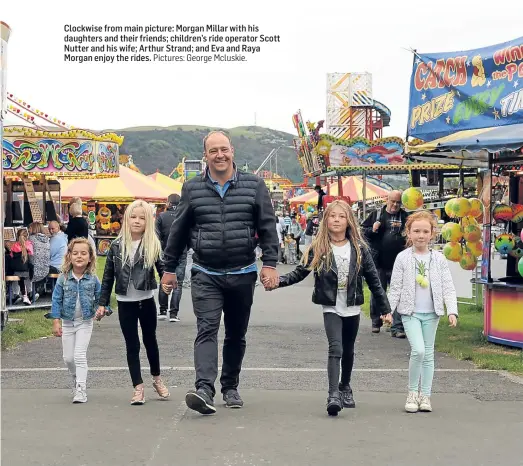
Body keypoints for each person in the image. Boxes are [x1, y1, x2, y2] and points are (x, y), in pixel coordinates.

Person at [161, 130, 279, 415]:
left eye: (224, 149)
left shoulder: (254, 186)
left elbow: (267, 226)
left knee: (236, 334)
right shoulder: (192, 188)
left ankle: (230, 386)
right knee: (207, 329)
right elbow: (177, 232)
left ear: (232, 151)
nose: (220, 155)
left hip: (243, 272)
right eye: (213, 151)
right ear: (206, 156)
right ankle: (204, 388)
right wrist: (168, 269)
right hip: (205, 271)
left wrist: (271, 264)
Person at [263, 200, 392, 416]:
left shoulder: (359, 249)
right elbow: (299, 273)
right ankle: (333, 395)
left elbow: (374, 281)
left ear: (349, 221)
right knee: (336, 348)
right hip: (331, 306)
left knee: (348, 350)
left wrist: (384, 309)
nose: (336, 220)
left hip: (351, 306)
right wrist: (278, 282)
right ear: (326, 220)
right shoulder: (319, 247)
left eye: (341, 216)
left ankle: (345, 386)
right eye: (332, 216)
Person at [96, 199, 170, 405]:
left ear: (149, 221)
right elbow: (108, 277)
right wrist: (102, 302)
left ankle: (157, 378)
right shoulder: (116, 246)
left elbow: (162, 268)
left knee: (150, 341)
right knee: (132, 344)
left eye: (142, 218)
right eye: (133, 217)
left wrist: (166, 283)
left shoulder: (153, 244)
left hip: (145, 300)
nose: (137, 221)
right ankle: (138, 387)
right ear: (126, 219)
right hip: (124, 302)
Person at [387, 211, 458, 413]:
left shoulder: (439, 259)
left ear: (432, 234)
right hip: (410, 313)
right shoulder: (402, 258)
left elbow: (448, 286)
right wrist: (388, 310)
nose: (420, 235)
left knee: (428, 355)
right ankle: (411, 392)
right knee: (418, 350)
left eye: (425, 231)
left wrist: (452, 310)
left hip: (432, 313)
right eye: (416, 231)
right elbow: (396, 287)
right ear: (408, 233)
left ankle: (425, 395)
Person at [48, 238, 101, 403]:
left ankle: (81, 389)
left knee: (79, 355)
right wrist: (56, 321)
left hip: (85, 322)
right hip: (68, 322)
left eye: (83, 253)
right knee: (68, 358)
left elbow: (101, 299)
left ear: (90, 257)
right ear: (69, 256)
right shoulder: (63, 278)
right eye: (75, 253)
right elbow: (56, 300)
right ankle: (76, 376)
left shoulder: (93, 279)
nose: (79, 256)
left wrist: (101, 310)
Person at [362, 190, 408, 337]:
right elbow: (362, 233)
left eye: (398, 202)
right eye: (393, 201)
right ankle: (376, 321)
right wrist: (372, 229)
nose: (395, 204)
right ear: (387, 200)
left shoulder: (406, 217)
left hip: (399, 263)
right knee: (378, 292)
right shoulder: (376, 214)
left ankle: (397, 327)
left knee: (399, 294)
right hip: (379, 261)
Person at [155, 193, 187, 322]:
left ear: (168, 203)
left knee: (164, 280)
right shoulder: (184, 217)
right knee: (177, 284)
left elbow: (156, 235)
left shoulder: (161, 217)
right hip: (181, 252)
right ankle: (174, 314)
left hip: (165, 252)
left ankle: (162, 310)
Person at [9, 229, 34, 305]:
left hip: (16, 271)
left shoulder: (14, 246)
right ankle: (29, 293)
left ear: (17, 236)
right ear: (27, 236)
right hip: (26, 271)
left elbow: (11, 256)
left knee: (15, 281)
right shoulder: (29, 245)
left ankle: (16, 295)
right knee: (28, 280)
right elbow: (31, 257)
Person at [27, 222, 50, 297]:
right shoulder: (47, 239)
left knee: (21, 270)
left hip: (34, 270)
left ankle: (27, 293)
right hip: (45, 269)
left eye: (29, 228)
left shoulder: (30, 239)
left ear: (34, 228)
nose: (28, 230)